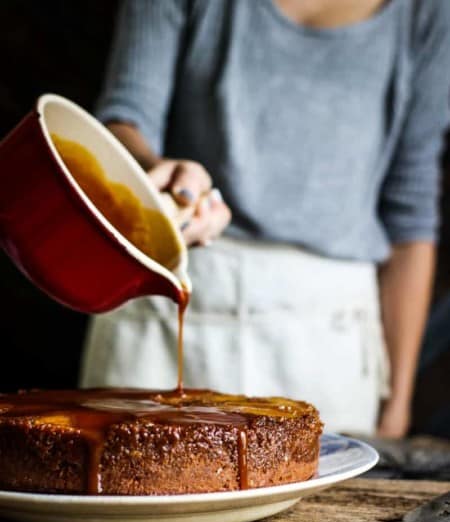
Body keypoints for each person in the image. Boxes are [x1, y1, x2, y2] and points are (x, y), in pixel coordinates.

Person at [80, 0, 450, 438]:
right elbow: (126, 116)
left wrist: (398, 403)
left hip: (331, 345)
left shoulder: (427, 13)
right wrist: (153, 174)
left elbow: (410, 217)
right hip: (171, 305)